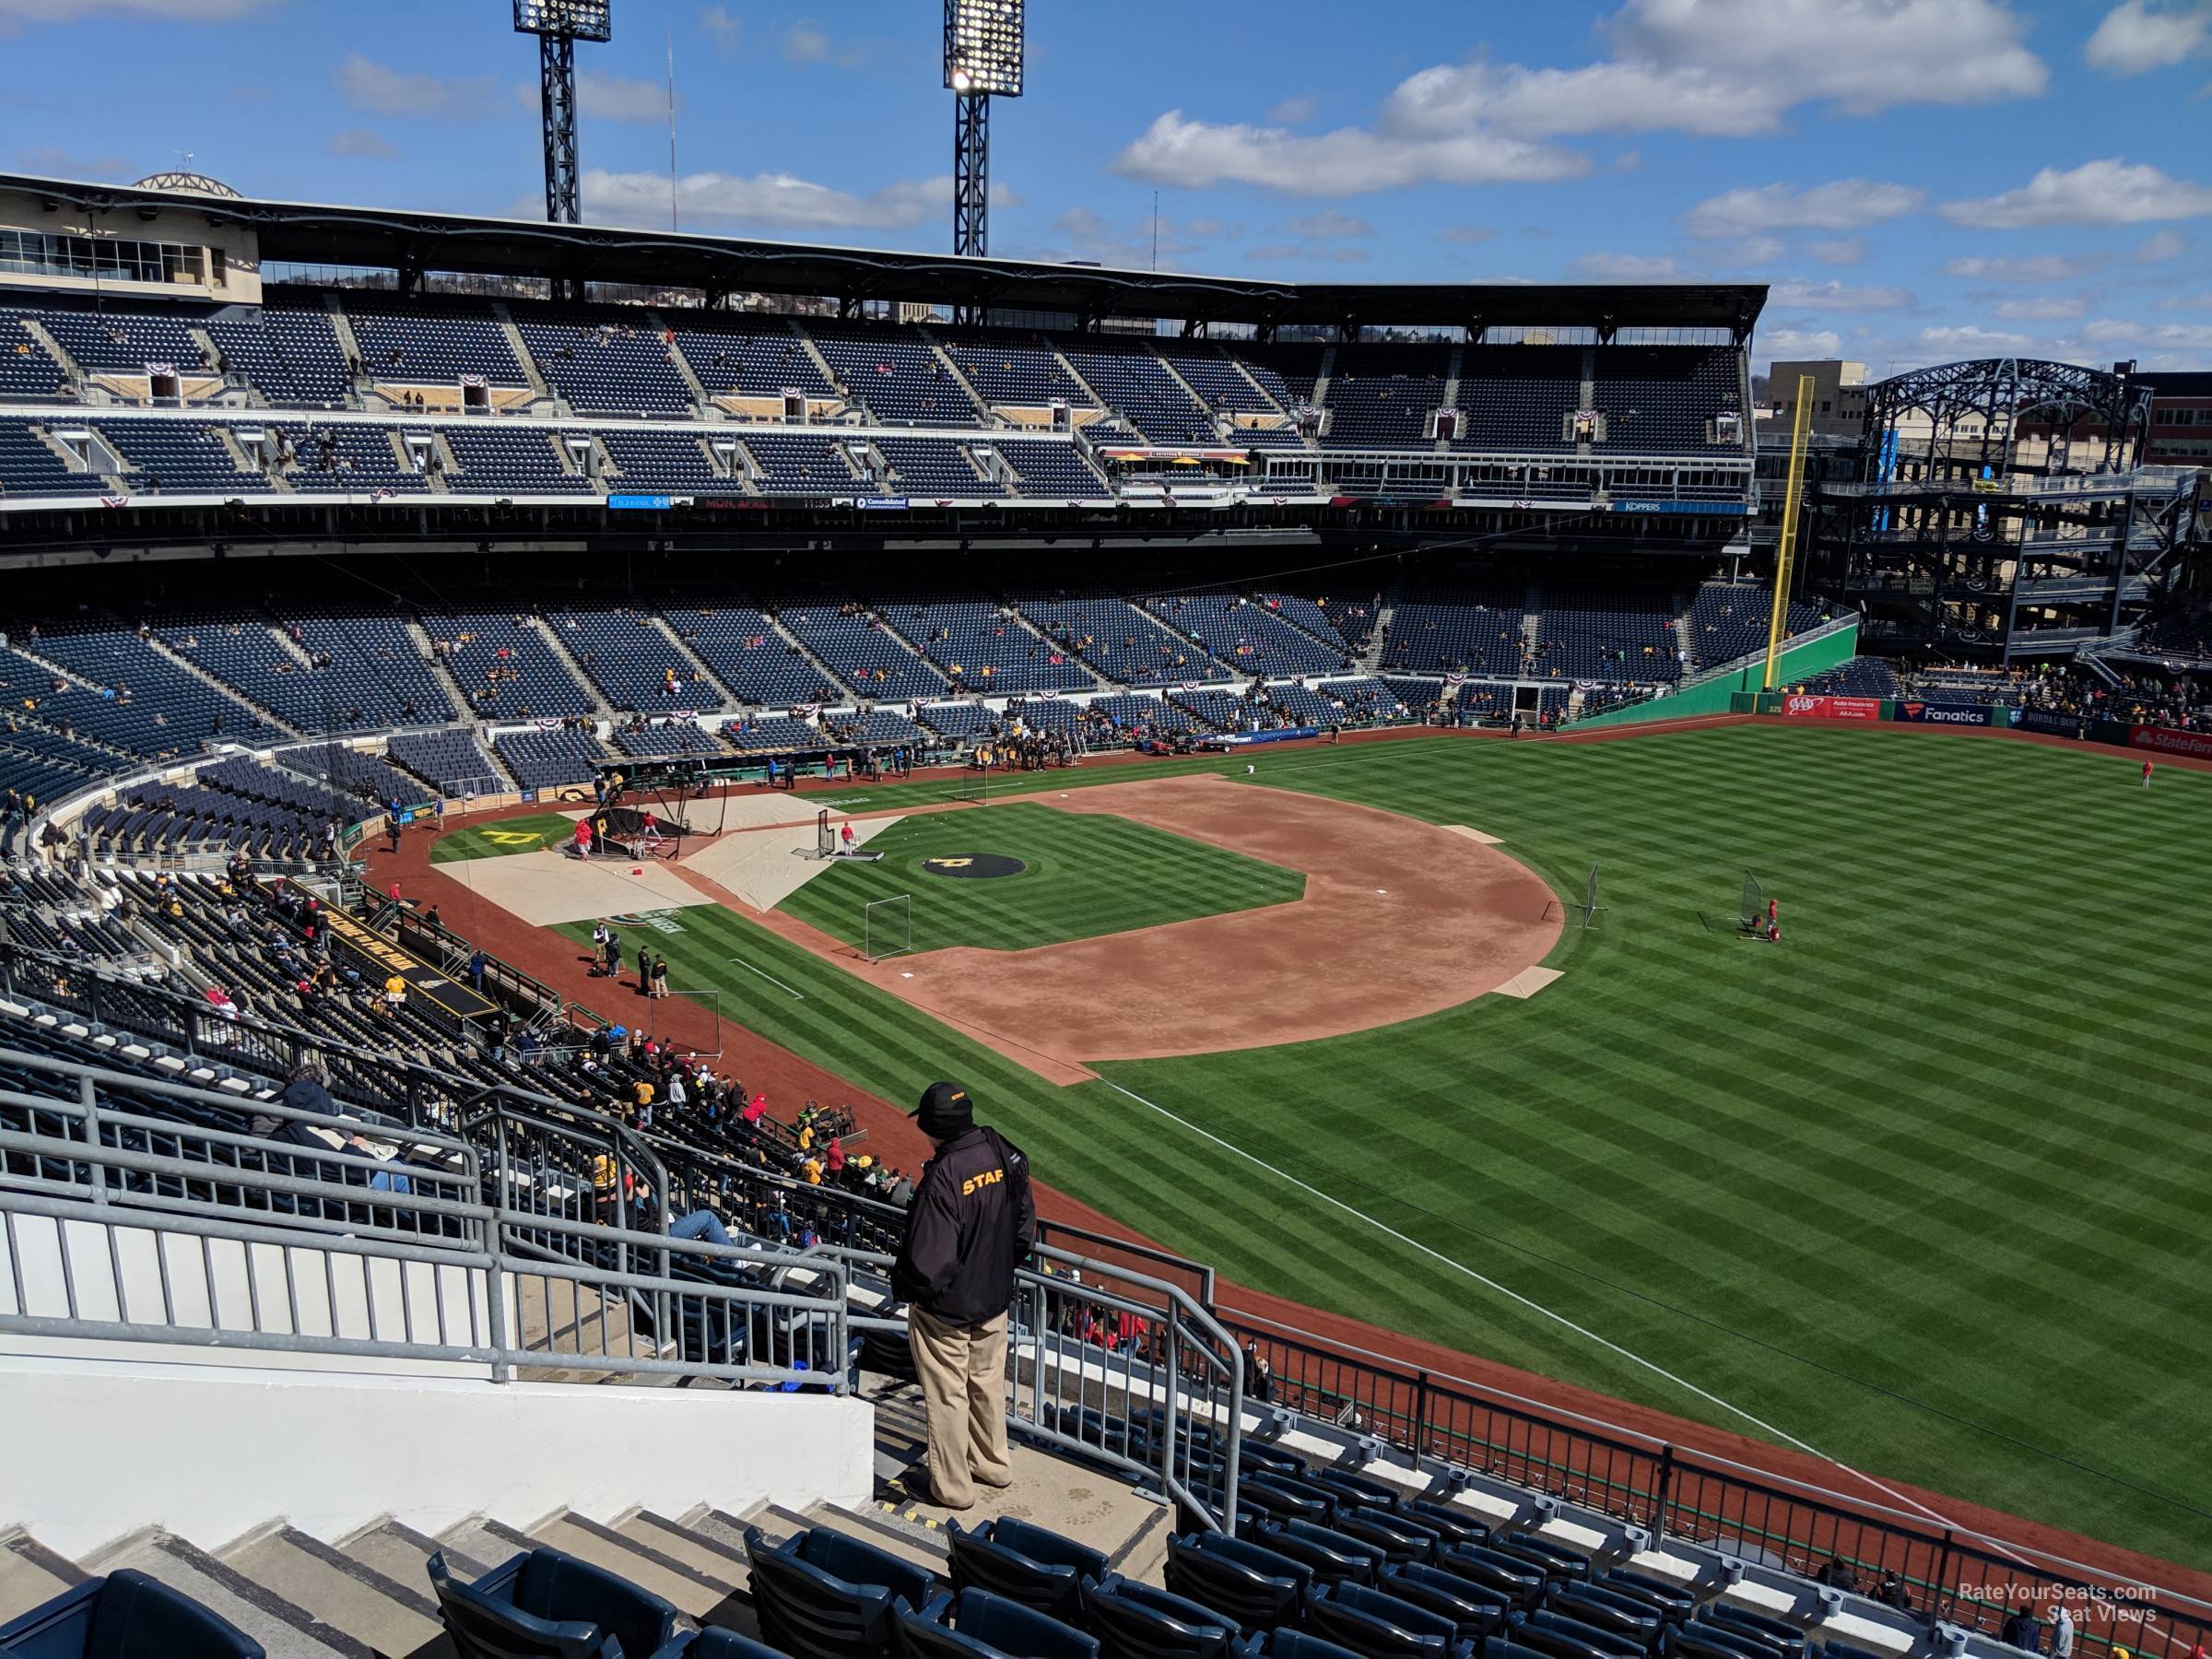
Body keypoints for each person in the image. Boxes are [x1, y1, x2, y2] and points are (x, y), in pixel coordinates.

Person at [890, 1080, 1035, 1511]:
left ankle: (953, 1488)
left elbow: (928, 1264)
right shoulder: (1000, 1148)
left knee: (948, 1395)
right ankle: (993, 1464)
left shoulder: (943, 1176)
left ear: (933, 1128)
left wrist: (910, 1290)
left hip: (947, 1310)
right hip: (994, 1297)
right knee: (987, 1383)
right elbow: (1023, 1231)